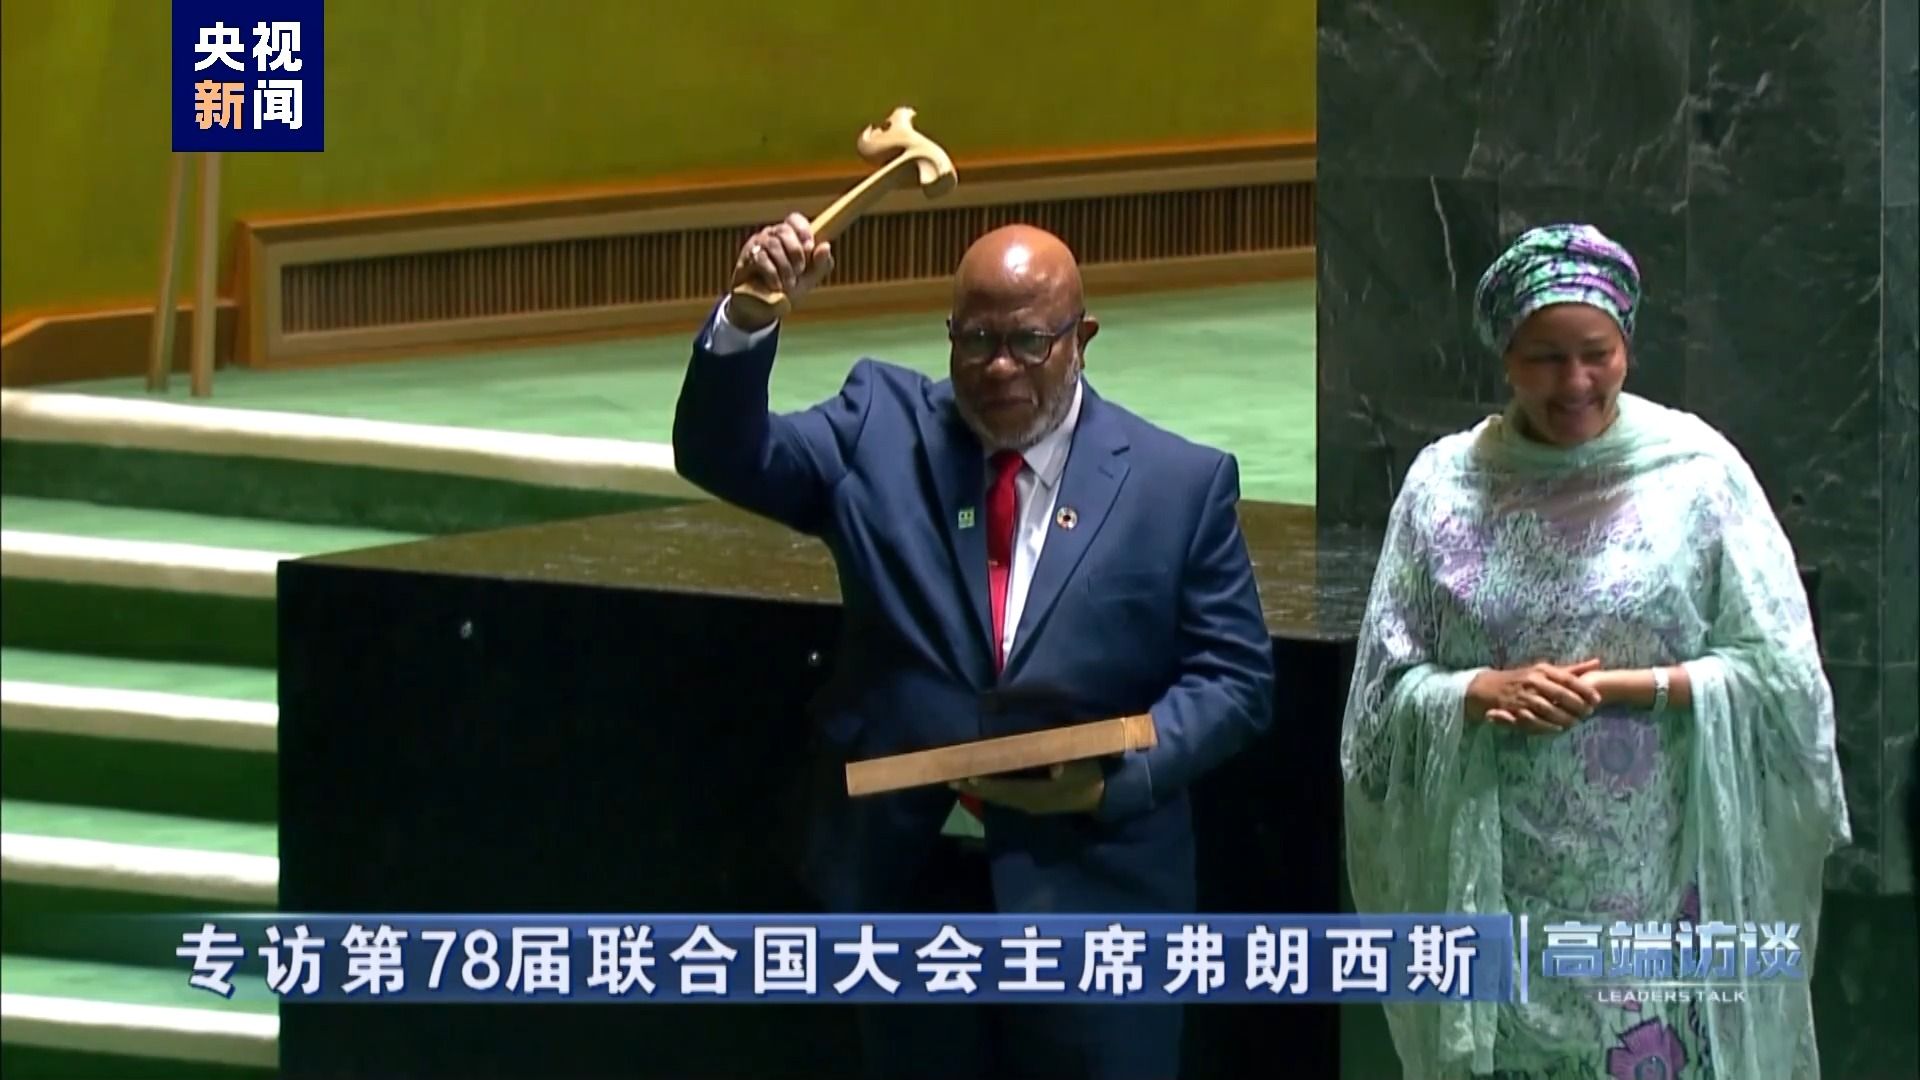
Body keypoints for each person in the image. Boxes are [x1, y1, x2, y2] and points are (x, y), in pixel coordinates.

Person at [672, 216, 1276, 1080]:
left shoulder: (1177, 484)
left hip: (1096, 899)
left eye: (1029, 342)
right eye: (976, 341)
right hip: (906, 893)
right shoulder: (878, 430)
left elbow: (1234, 679)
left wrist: (1117, 774)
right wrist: (750, 314)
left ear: (1081, 339)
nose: (999, 368)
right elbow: (722, 453)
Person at [1339, 223, 1852, 1080]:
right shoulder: (1444, 486)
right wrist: (1475, 692)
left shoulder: (1696, 474)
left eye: (1596, 354)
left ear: (1627, 349)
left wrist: (1630, 687)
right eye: (1545, 358)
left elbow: (1781, 678)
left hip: (1657, 865)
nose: (1575, 382)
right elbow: (1381, 704)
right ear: (1506, 358)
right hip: (1500, 867)